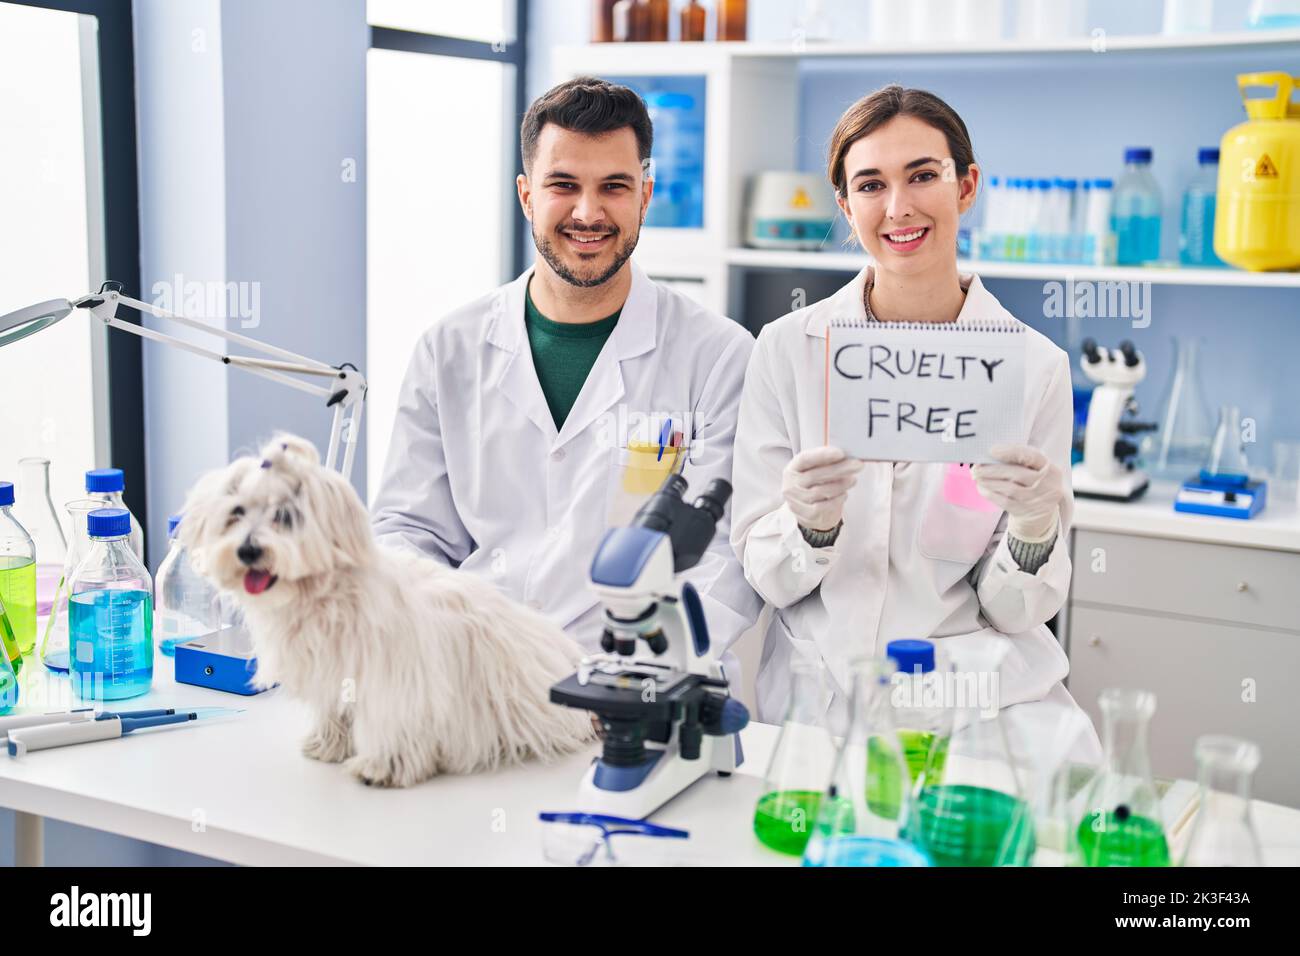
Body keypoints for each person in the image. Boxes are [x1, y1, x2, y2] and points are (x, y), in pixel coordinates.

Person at [730, 85, 1099, 758]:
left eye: (923, 175)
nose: (898, 207)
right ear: (845, 205)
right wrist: (807, 527)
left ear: (966, 186)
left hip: (976, 711)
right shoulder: (786, 350)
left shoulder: (1032, 367)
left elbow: (1017, 610)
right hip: (821, 707)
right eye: (870, 184)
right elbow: (767, 576)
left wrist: (1035, 530)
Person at [371, 77, 760, 670]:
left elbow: (726, 554)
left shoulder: (719, 355)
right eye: (564, 185)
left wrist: (647, 660)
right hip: (480, 672)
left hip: (647, 679)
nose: (588, 212)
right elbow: (406, 529)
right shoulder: (448, 349)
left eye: (614, 187)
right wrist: (444, 640)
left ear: (645, 195)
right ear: (527, 196)